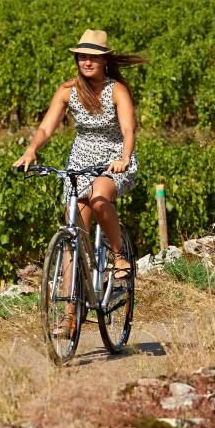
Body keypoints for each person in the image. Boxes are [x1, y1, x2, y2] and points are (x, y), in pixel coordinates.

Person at [14, 29, 145, 294]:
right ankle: (68, 314)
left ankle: (119, 256)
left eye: (93, 58)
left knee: (98, 196)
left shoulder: (116, 90)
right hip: (80, 158)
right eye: (82, 57)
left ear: (104, 61)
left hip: (114, 157)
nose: (87, 62)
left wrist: (124, 158)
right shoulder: (67, 90)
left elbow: (129, 130)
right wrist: (31, 150)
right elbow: (46, 128)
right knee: (73, 233)